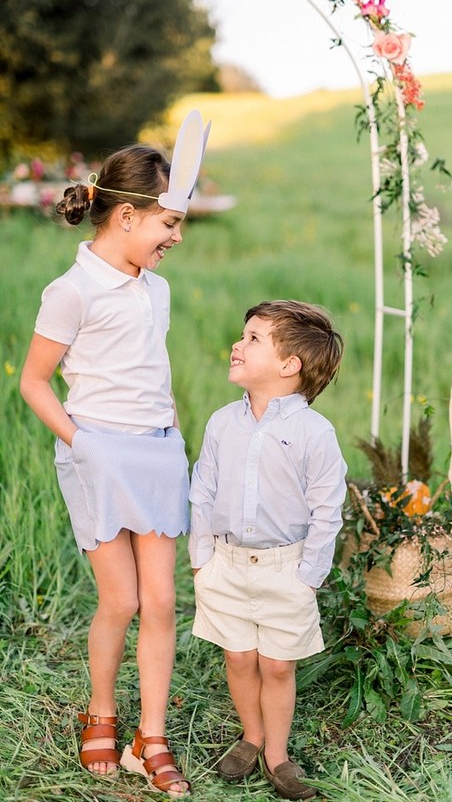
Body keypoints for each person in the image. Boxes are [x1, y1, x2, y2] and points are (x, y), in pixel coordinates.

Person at [20, 111, 210, 798]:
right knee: (122, 599)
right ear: (126, 217)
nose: (176, 237)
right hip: (98, 455)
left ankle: (148, 737)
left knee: (162, 600)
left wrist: (174, 437)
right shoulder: (71, 292)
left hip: (157, 453)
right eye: (169, 223)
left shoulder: (154, 289)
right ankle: (100, 709)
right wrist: (84, 443)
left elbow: (151, 376)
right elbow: (33, 381)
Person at [189, 300, 347, 801]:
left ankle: (277, 755)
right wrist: (201, 558)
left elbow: (328, 509)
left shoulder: (313, 433)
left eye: (253, 338)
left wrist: (309, 575)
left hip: (286, 566)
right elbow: (202, 491)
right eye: (243, 334)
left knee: (277, 664)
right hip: (227, 562)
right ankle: (251, 736)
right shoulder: (222, 424)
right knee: (238, 656)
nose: (238, 343)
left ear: (289, 365)